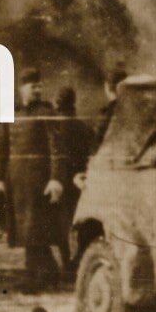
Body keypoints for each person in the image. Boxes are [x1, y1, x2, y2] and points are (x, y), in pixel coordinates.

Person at [0, 68, 67, 292]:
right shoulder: (10, 113)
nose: (37, 90)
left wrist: (56, 179)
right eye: (32, 86)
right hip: (16, 182)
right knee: (27, 230)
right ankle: (49, 273)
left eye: (39, 86)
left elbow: (57, 148)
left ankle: (33, 277)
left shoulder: (47, 112)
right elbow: (0, 149)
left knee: (34, 230)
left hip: (39, 181)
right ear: (22, 88)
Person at [50, 87, 97, 274]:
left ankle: (67, 264)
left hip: (61, 180)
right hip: (80, 180)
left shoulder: (55, 126)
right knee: (80, 223)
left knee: (62, 224)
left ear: (57, 102)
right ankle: (78, 261)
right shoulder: (83, 127)